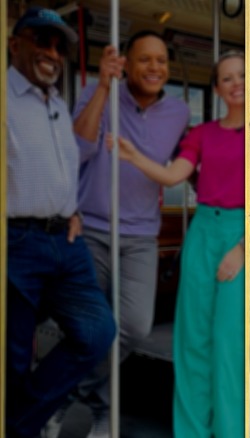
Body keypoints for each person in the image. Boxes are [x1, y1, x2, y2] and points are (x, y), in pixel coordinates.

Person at [56, 30, 191, 437]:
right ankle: (100, 409)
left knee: (133, 324)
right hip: (91, 229)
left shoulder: (179, 113)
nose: (154, 68)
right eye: (144, 59)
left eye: (161, 61)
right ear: (127, 64)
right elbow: (77, 149)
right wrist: (101, 88)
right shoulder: (97, 94)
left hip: (141, 235)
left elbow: (186, 164)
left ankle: (62, 392)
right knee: (87, 328)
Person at [113, 52, 245, 437]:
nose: (235, 83)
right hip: (203, 229)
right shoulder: (202, 134)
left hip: (240, 234)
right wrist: (133, 154)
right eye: (226, 78)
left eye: (241, 75)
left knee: (229, 342)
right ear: (217, 88)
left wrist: (242, 248)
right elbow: (173, 176)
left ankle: (230, 429)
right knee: (193, 340)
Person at [5, 7, 117, 438]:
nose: (52, 52)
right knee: (12, 359)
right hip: (15, 240)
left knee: (97, 331)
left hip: (65, 241)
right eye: (41, 40)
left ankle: (18, 423)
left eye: (58, 46)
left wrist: (68, 207)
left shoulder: (55, 103)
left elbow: (60, 165)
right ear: (16, 44)